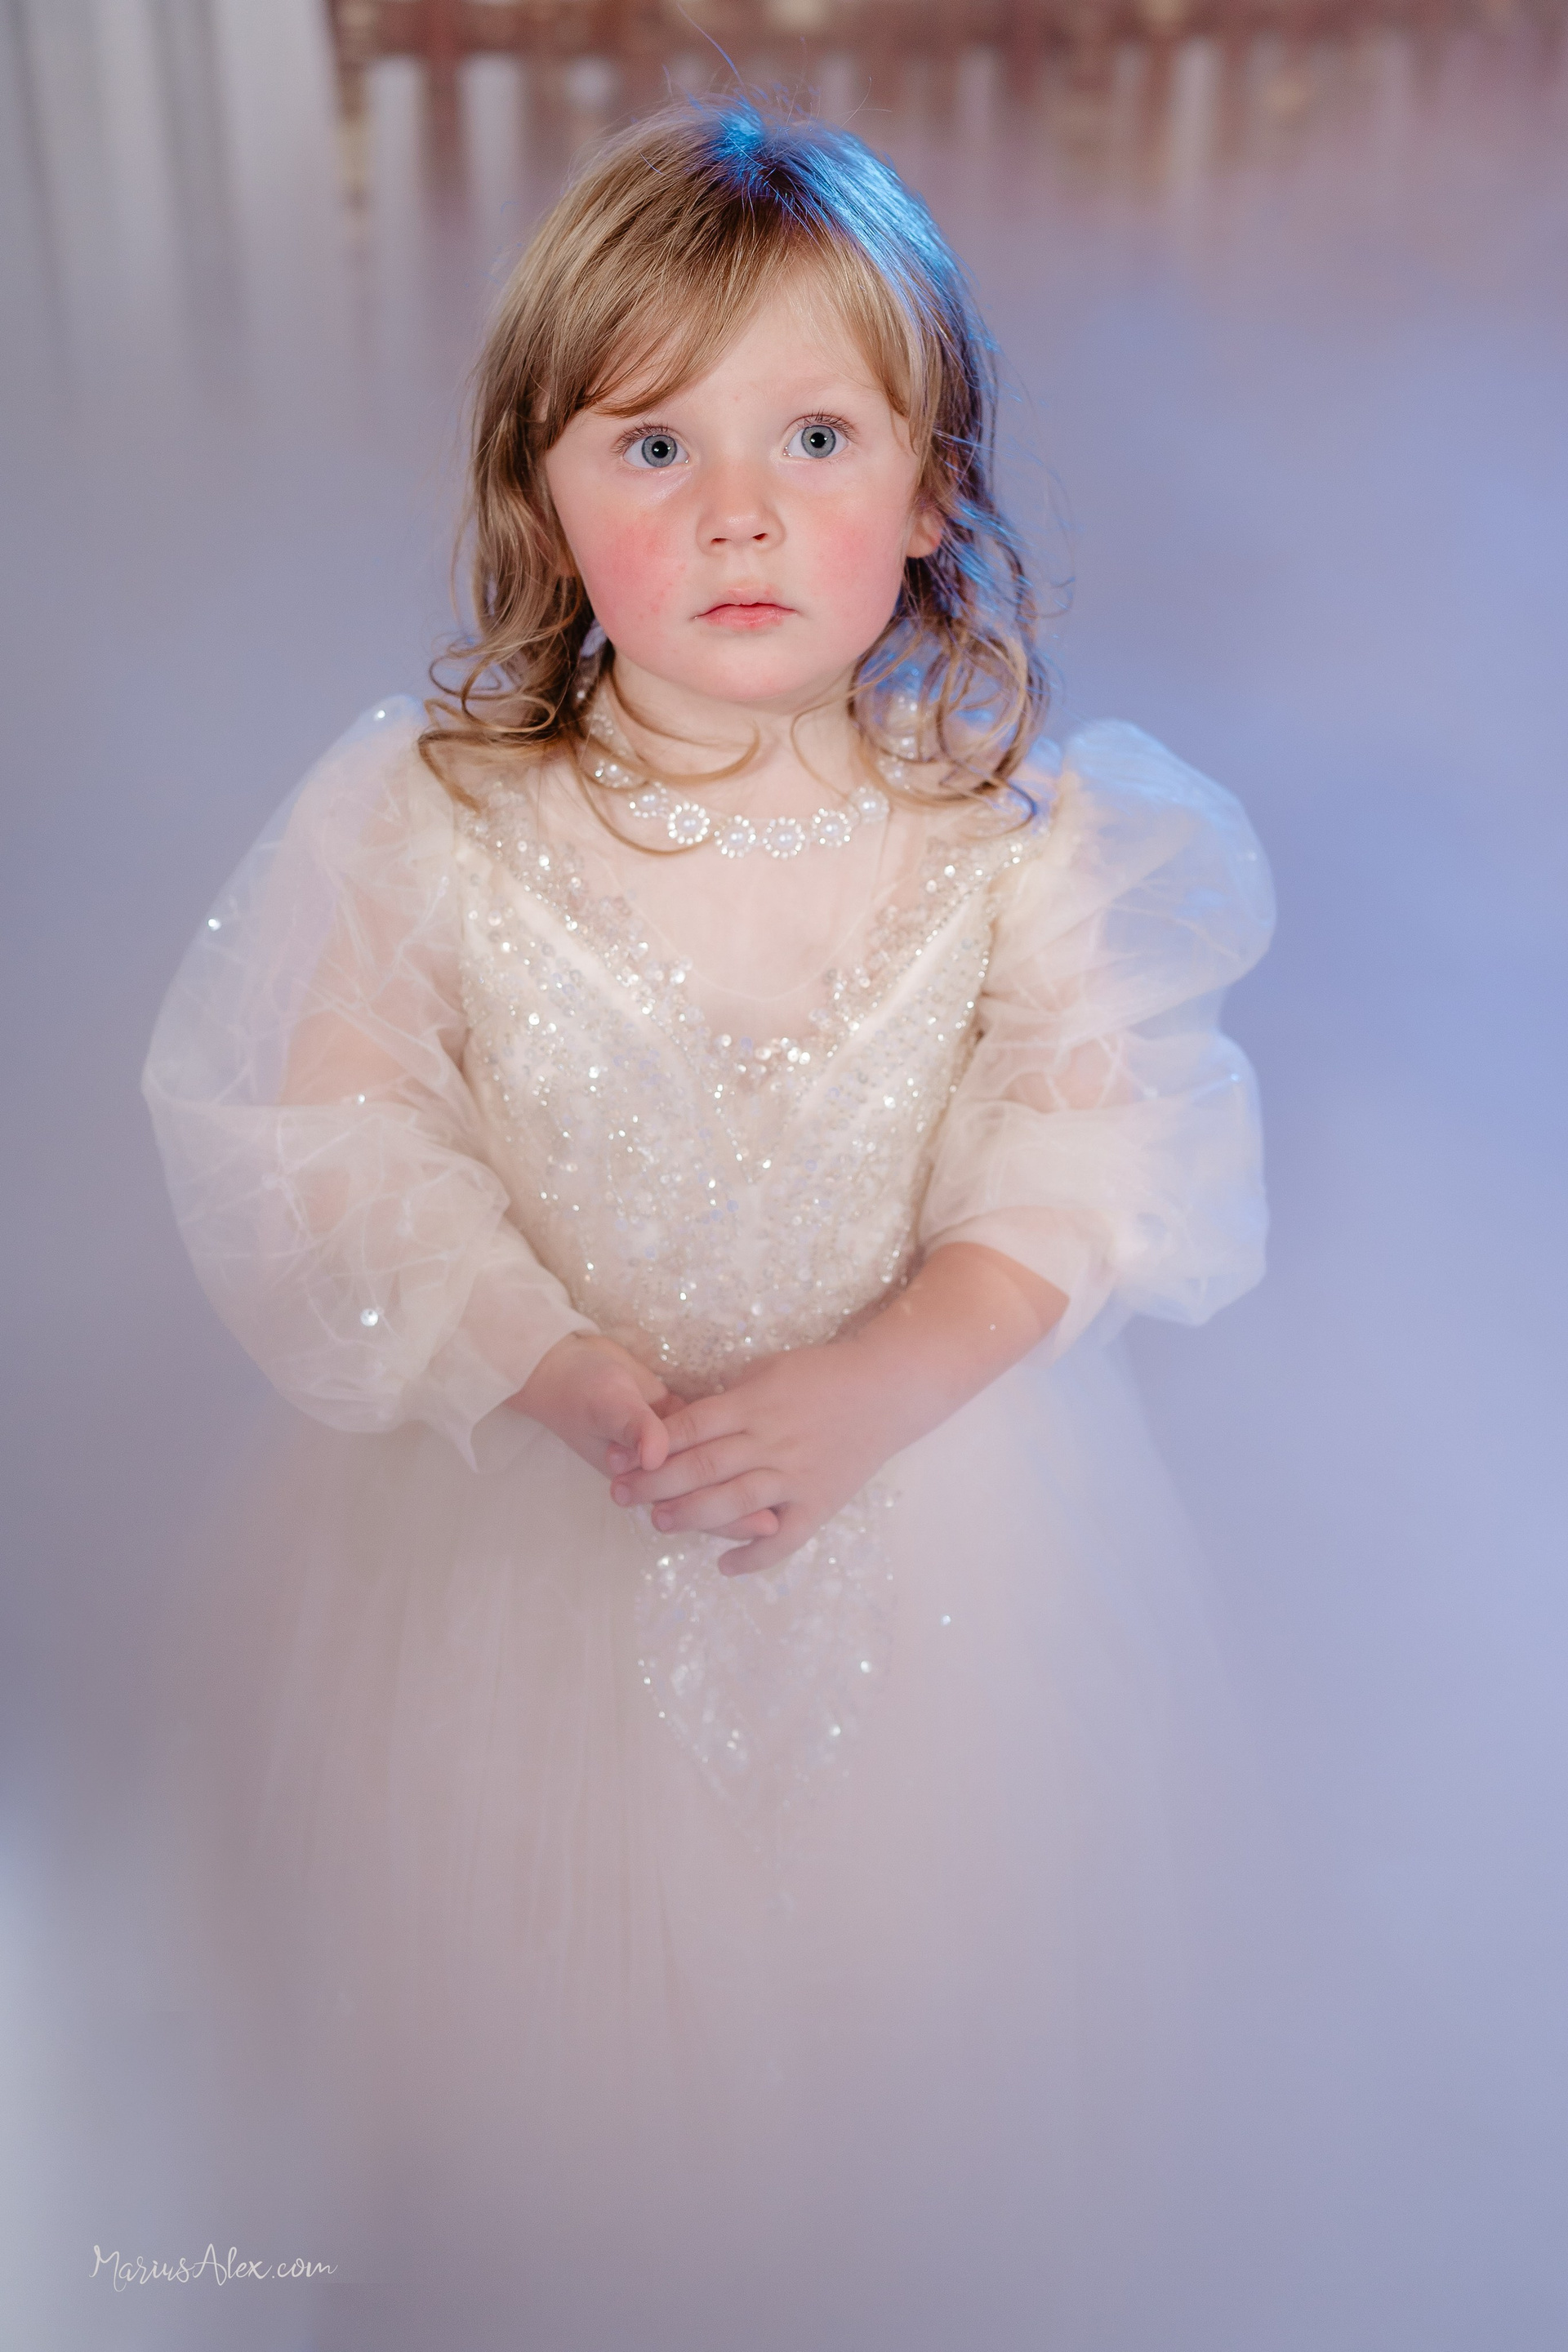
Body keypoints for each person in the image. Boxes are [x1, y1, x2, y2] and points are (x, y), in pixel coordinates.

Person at [142, 95, 1274, 2352]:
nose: (738, 509)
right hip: (535, 1512)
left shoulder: (1018, 836)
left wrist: (883, 1381)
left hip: (928, 1529)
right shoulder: (433, 813)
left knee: (917, 2049)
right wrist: (543, 1360)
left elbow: (1096, 1162)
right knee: (542, 2061)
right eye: (654, 446)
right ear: (543, 494)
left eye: (817, 438)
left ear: (932, 486)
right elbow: (332, 1135)